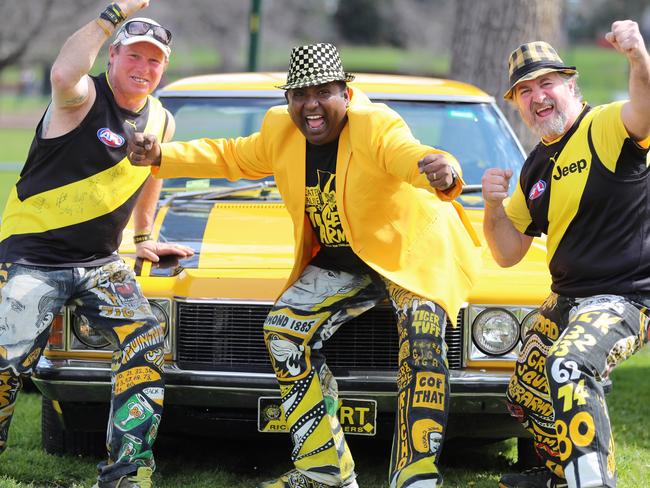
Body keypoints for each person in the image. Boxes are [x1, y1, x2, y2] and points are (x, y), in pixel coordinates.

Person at [127, 43, 481, 488]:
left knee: (423, 333)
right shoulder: (281, 129)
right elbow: (233, 156)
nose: (310, 105)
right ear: (288, 101)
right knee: (283, 331)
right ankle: (325, 469)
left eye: (323, 93)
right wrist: (162, 155)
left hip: (410, 254)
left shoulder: (374, 124)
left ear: (346, 95)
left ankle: (416, 477)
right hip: (345, 260)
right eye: (299, 95)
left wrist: (442, 169)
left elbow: (406, 152)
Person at [0, 2, 193, 487]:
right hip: (31, 259)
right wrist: (115, 12)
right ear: (112, 56)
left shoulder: (162, 120)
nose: (143, 69)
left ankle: (128, 472)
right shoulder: (82, 97)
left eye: (154, 61)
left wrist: (144, 237)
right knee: (5, 361)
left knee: (146, 341)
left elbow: (154, 172)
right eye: (134, 56)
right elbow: (65, 70)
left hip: (100, 264)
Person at [482, 20, 650, 488]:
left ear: (570, 85)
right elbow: (507, 252)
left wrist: (638, 57)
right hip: (567, 300)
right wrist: (493, 205)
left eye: (547, 83)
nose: (538, 96)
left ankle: (593, 482)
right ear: (515, 104)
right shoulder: (535, 165)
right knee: (525, 393)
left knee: (569, 367)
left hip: (625, 298)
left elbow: (646, 109)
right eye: (524, 90)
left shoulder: (607, 126)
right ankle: (562, 476)